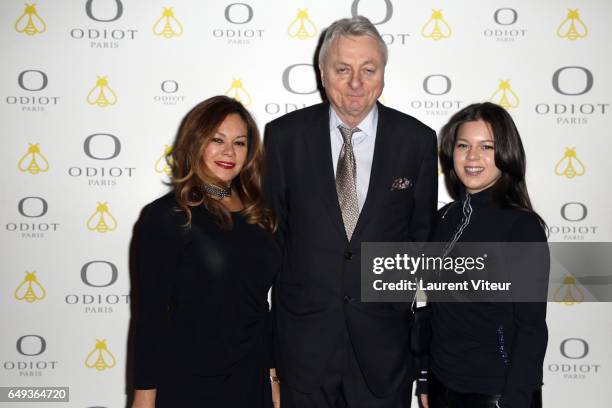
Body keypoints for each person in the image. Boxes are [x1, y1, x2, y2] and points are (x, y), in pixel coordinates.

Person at [264, 16, 438, 407]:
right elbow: (271, 244)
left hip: (385, 351)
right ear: (323, 73)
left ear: (383, 74)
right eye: (343, 69)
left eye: (368, 70)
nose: (356, 83)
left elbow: (421, 242)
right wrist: (270, 350)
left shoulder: (417, 141)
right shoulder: (283, 138)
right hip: (303, 351)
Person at [131, 96, 281, 407]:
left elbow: (259, 308)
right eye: (217, 139)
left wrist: (272, 376)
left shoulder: (259, 214)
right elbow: (150, 316)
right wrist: (144, 396)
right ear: (196, 142)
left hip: (251, 380)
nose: (229, 151)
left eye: (239, 143)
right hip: (191, 381)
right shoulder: (168, 215)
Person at [423, 102, 548, 408]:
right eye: (463, 145)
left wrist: (516, 399)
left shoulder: (521, 226)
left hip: (495, 393)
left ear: (505, 153)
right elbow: (433, 309)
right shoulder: (444, 218)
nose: (472, 156)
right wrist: (425, 375)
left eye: (486, 146)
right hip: (443, 385)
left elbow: (531, 327)